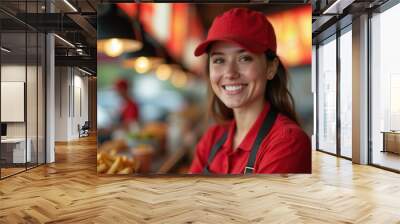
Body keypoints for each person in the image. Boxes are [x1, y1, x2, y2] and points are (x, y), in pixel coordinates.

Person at [189, 8, 311, 174]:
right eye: (219, 60)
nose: (230, 73)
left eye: (244, 58)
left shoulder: (288, 142)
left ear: (270, 68)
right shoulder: (212, 139)